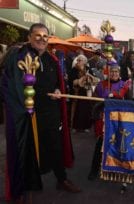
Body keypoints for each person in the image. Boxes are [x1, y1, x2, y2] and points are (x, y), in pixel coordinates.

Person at [0, 23, 81, 203]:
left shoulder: (51, 60)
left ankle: (62, 179)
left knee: (55, 148)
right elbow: (11, 86)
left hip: (50, 115)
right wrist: (25, 107)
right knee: (26, 153)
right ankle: (21, 190)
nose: (42, 40)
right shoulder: (19, 56)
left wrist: (58, 91)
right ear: (29, 37)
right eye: (38, 35)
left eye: (45, 36)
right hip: (29, 116)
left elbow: (57, 84)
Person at [88, 64, 130, 180]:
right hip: (104, 118)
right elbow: (94, 101)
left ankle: (115, 170)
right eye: (112, 72)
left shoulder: (124, 85)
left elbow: (129, 103)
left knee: (118, 145)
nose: (114, 74)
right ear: (108, 72)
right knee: (100, 145)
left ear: (119, 73)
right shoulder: (101, 85)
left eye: (116, 72)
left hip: (118, 118)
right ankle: (94, 170)